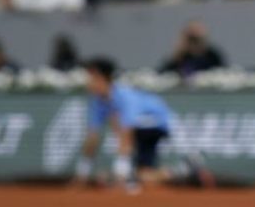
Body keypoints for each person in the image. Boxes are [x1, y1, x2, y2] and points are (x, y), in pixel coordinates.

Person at [75, 57, 213, 190]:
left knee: (127, 171)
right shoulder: (98, 102)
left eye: (91, 78)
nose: (88, 82)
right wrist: (82, 174)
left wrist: (120, 171)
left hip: (160, 123)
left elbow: (126, 134)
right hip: (142, 131)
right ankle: (182, 172)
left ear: (102, 79)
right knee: (144, 176)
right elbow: (93, 137)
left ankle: (127, 177)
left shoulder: (126, 97)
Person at [160, 21, 225, 78]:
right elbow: (161, 74)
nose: (194, 43)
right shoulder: (181, 56)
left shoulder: (212, 56)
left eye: (197, 39)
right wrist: (178, 55)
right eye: (191, 39)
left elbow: (224, 74)